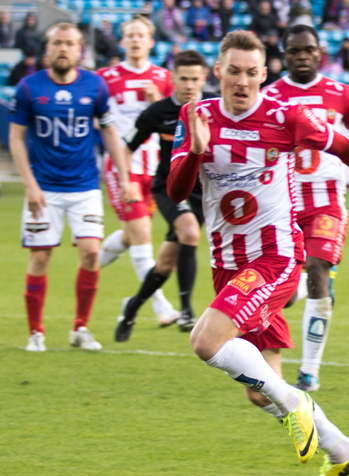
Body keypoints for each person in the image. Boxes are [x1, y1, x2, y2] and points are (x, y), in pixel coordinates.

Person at [167, 30, 349, 476]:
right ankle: (343, 451)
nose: (242, 81)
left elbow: (348, 149)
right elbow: (177, 190)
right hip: (227, 263)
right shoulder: (194, 115)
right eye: (234, 71)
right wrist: (197, 151)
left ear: (264, 75)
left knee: (206, 342)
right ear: (218, 71)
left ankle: (297, 404)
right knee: (258, 392)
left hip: (273, 257)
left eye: (252, 73)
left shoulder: (286, 117)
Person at [263, 23, 349, 391]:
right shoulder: (270, 96)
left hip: (326, 199)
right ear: (284, 55)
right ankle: (300, 286)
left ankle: (309, 371)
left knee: (318, 267)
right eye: (294, 51)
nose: (302, 56)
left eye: (308, 49)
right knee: (286, 283)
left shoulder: (341, 94)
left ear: (319, 53)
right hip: (282, 201)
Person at [11, 23, 134, 353]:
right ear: (47, 49)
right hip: (44, 188)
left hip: (84, 186)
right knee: (40, 258)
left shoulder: (95, 86)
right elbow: (16, 138)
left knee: (92, 253)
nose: (63, 49)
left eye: (70, 44)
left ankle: (80, 328)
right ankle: (35, 332)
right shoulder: (27, 88)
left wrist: (123, 178)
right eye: (57, 43)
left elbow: (109, 132)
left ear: (80, 50)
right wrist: (30, 185)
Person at [115, 50, 209, 341]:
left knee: (165, 264)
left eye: (195, 79)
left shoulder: (214, 109)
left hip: (203, 193)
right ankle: (186, 311)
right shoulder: (158, 112)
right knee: (190, 233)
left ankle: (132, 306)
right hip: (169, 187)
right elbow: (126, 146)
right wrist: (125, 180)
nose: (190, 84)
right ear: (173, 78)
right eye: (184, 78)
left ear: (204, 78)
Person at [97, 16, 181, 326]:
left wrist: (156, 102)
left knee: (134, 237)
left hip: (154, 169)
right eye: (129, 35)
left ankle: (92, 262)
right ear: (121, 41)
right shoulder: (104, 78)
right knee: (143, 236)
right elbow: (97, 119)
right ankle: (160, 305)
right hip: (124, 167)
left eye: (140, 35)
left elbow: (176, 119)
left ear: (150, 41)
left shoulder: (164, 78)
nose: (135, 40)